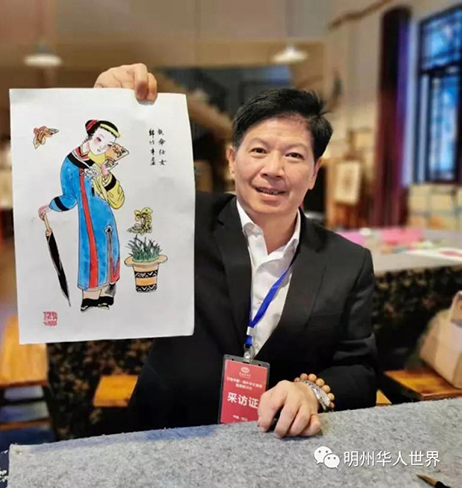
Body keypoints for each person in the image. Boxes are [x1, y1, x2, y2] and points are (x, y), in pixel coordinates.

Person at [94, 64, 377, 438]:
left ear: (314, 172)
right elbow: (110, 196)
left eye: (294, 156)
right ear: (231, 159)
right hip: (168, 431)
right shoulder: (184, 220)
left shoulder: (348, 262)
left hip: (276, 440)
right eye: (258, 150)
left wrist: (310, 392)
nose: (273, 169)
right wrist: (107, 108)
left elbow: (359, 369)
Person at [39, 120, 125, 312]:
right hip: (88, 222)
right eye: (99, 139)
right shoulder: (70, 165)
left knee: (109, 251)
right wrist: (51, 206)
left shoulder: (103, 161)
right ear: (89, 135)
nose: (102, 147)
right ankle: (90, 298)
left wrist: (106, 176)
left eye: (108, 144)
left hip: (107, 219)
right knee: (90, 255)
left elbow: (117, 201)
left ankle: (107, 294)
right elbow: (70, 198)